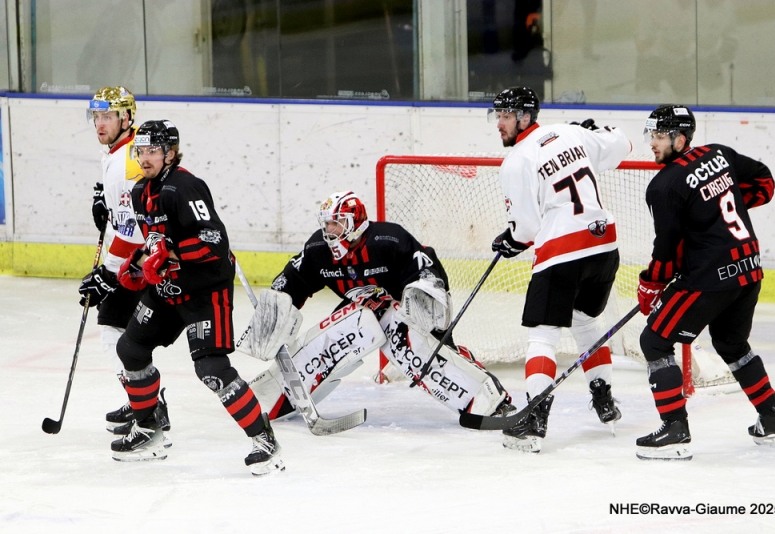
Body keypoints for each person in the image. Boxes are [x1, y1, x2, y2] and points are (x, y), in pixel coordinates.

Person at [246, 190, 516, 422]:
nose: (329, 231)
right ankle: (272, 395)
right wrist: (277, 305)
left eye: (337, 224)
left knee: (423, 352)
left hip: (404, 311)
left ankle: (490, 401)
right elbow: (293, 279)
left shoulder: (388, 240)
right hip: (362, 309)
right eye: (327, 224)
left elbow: (426, 265)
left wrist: (426, 295)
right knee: (330, 339)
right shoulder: (318, 250)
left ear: (356, 223)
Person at [112, 120, 283, 475]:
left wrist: (169, 256)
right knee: (130, 349)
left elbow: (214, 243)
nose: (144, 158)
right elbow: (156, 241)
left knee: (212, 370)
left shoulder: (185, 187)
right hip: (169, 289)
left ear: (170, 153)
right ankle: (149, 426)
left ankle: (264, 440)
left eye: (152, 151)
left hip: (206, 291)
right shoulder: (139, 193)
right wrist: (140, 262)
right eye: (140, 151)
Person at [635, 104, 775, 460]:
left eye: (659, 137)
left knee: (654, 341)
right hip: (748, 270)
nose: (653, 144)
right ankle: (772, 419)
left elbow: (667, 249)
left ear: (680, 137)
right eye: (652, 136)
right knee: (732, 344)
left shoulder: (665, 185)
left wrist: (651, 283)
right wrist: (715, 219)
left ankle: (674, 430)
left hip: (711, 280)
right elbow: (764, 183)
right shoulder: (718, 154)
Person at [488, 86, 633, 453]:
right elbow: (623, 145)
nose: (499, 124)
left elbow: (527, 229)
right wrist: (593, 132)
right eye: (498, 116)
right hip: (604, 246)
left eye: (505, 116)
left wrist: (512, 240)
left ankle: (535, 420)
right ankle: (604, 398)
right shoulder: (571, 132)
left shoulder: (517, 160)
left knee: (542, 336)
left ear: (524, 117)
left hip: (563, 252)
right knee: (586, 322)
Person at [77, 87, 171, 436]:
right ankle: (143, 401)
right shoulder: (124, 152)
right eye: (96, 116)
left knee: (115, 331)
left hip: (141, 261)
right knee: (124, 333)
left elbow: (133, 231)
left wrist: (106, 273)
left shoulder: (124, 160)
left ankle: (148, 406)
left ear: (126, 118)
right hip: (146, 257)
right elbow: (130, 213)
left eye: (107, 116)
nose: (99, 124)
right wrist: (108, 210)